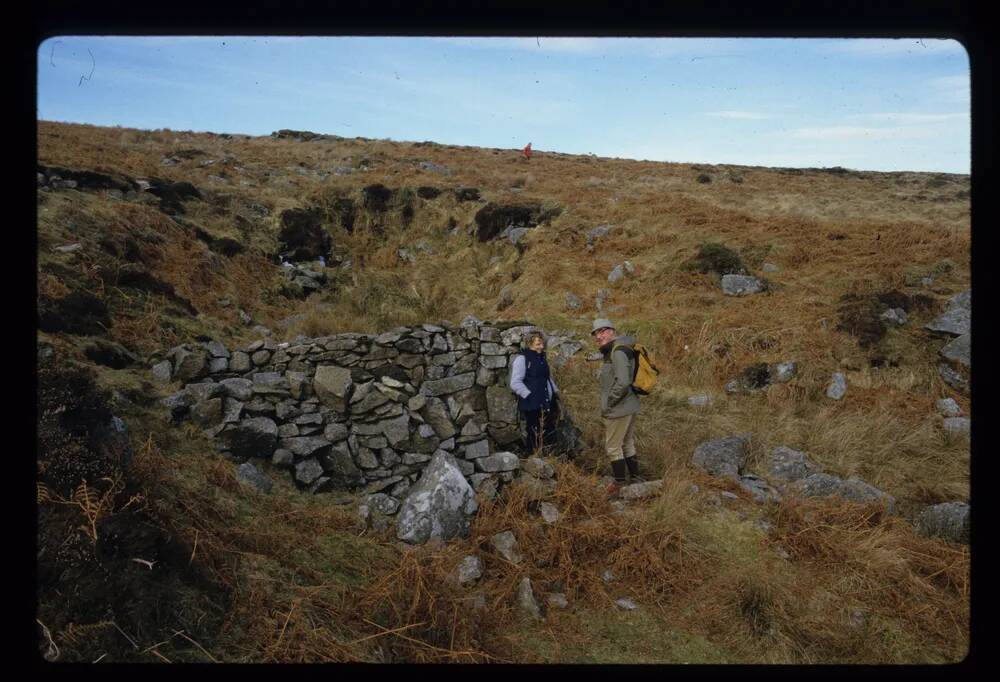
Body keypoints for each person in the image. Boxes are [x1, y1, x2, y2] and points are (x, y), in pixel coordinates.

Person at [591, 318, 642, 495]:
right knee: (627, 443)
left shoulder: (617, 352)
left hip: (619, 407)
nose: (599, 336)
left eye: (602, 331)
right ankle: (635, 479)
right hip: (629, 405)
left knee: (613, 446)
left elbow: (623, 381)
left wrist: (610, 402)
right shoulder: (619, 348)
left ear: (612, 331)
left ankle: (619, 483)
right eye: (596, 333)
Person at [509, 330, 559, 455]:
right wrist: (529, 395)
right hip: (531, 404)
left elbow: (547, 378)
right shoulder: (522, 359)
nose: (541, 347)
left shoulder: (542, 357)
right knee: (533, 432)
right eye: (538, 344)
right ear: (529, 344)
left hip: (546, 402)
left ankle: (551, 459)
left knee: (549, 430)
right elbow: (515, 382)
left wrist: (555, 391)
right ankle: (533, 459)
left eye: (541, 344)